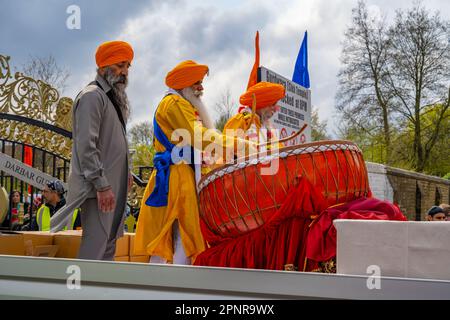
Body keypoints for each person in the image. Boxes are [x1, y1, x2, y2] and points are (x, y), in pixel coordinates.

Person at [134, 60, 254, 265]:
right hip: (176, 177)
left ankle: (168, 286)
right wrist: (238, 145)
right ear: (184, 84)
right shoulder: (174, 103)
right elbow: (198, 136)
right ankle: (175, 287)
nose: (201, 87)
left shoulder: (182, 103)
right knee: (183, 234)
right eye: (196, 82)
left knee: (178, 235)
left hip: (180, 174)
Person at [50, 40, 134, 261]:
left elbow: (114, 145)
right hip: (98, 189)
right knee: (95, 248)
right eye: (119, 65)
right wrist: (102, 184)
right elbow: (87, 146)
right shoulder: (92, 96)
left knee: (108, 246)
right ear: (104, 66)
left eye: (127, 66)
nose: (124, 72)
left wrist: (127, 173)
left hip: (112, 188)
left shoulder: (111, 97)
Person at [223, 81, 285, 147]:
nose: (276, 109)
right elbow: (226, 149)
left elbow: (282, 152)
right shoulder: (240, 120)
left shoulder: (267, 128)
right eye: (273, 104)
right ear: (262, 103)